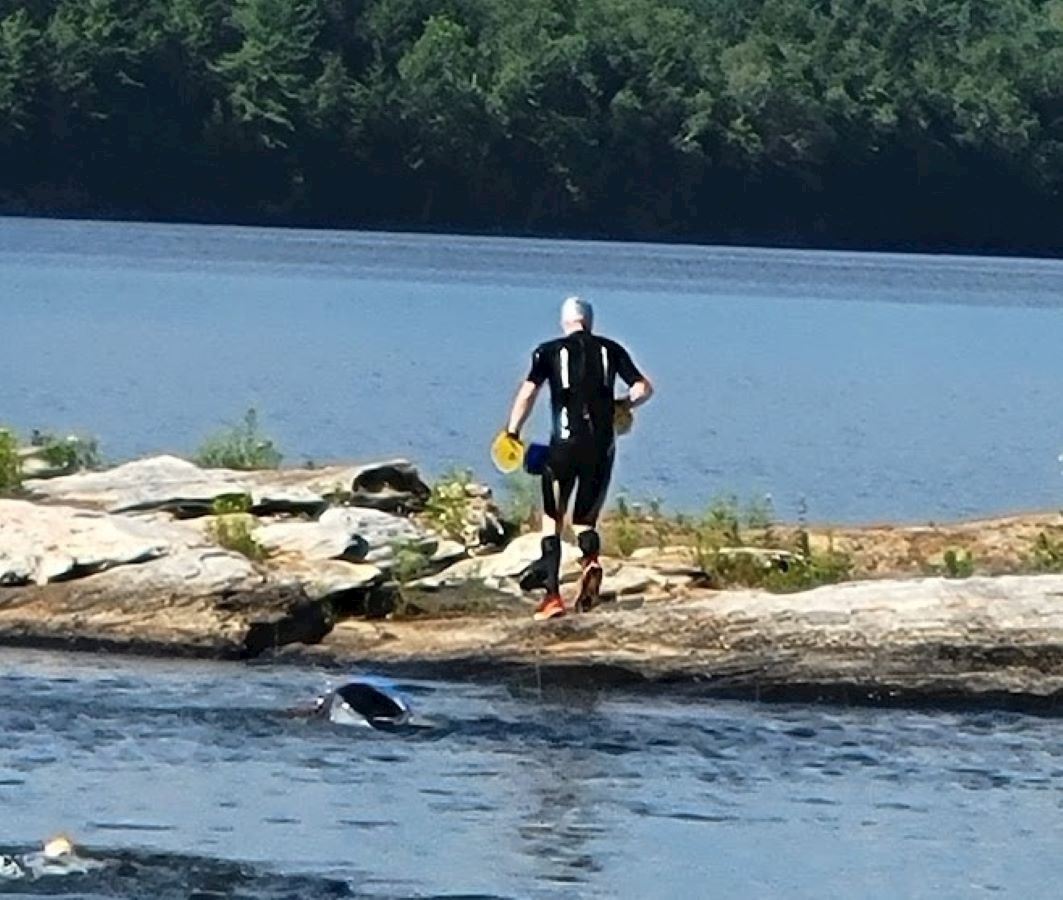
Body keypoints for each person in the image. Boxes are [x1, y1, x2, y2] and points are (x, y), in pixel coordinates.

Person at [504, 295, 654, 620]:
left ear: (564, 321)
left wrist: (512, 431)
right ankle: (591, 562)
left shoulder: (548, 351)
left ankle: (552, 598)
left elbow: (528, 392)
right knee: (585, 520)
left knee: (552, 521)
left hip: (564, 447)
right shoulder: (611, 350)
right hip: (602, 446)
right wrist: (623, 404)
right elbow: (644, 388)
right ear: (591, 321)